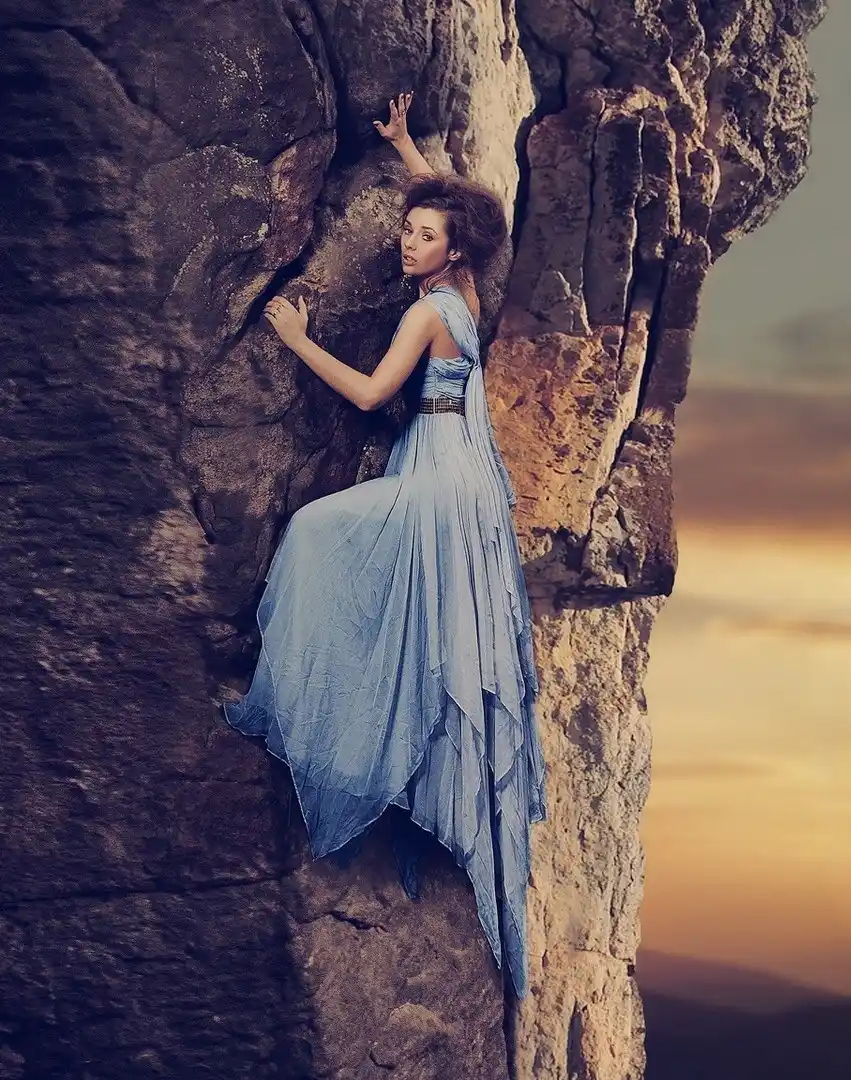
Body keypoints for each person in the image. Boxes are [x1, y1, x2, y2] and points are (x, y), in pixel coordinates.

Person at [223, 91, 547, 1000]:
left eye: (426, 235)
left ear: (455, 252)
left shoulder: (425, 316)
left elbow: (370, 398)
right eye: (408, 230)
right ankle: (406, 751)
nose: (410, 241)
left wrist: (294, 338)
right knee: (430, 618)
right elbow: (454, 211)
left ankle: (359, 740)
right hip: (467, 475)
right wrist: (408, 147)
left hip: (439, 476)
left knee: (317, 533)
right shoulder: (464, 295)